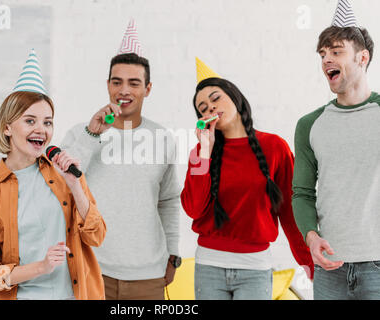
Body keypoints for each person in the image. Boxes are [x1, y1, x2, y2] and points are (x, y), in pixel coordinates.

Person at [0, 49, 106, 300]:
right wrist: (41, 268)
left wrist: (75, 185)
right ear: (7, 127)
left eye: (47, 122)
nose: (41, 129)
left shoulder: (66, 173)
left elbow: (97, 236)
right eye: (30, 121)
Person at [61, 20, 181, 300]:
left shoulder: (161, 137)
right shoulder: (80, 133)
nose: (124, 90)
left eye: (134, 83)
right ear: (107, 85)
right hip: (90, 267)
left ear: (147, 89)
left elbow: (169, 200)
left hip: (147, 275)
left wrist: (173, 253)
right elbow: (62, 184)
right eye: (117, 82)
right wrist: (92, 134)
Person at [180, 58, 313, 300]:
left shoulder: (275, 147)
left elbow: (291, 212)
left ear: (235, 97)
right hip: (208, 267)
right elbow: (193, 208)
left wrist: (308, 261)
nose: (209, 107)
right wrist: (204, 153)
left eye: (215, 98)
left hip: (255, 269)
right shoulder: (200, 154)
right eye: (202, 108)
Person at [292, 0, 380, 300]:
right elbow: (302, 193)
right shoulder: (310, 125)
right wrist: (311, 236)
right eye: (323, 54)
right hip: (330, 267)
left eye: (336, 51)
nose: (326, 59)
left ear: (362, 57)